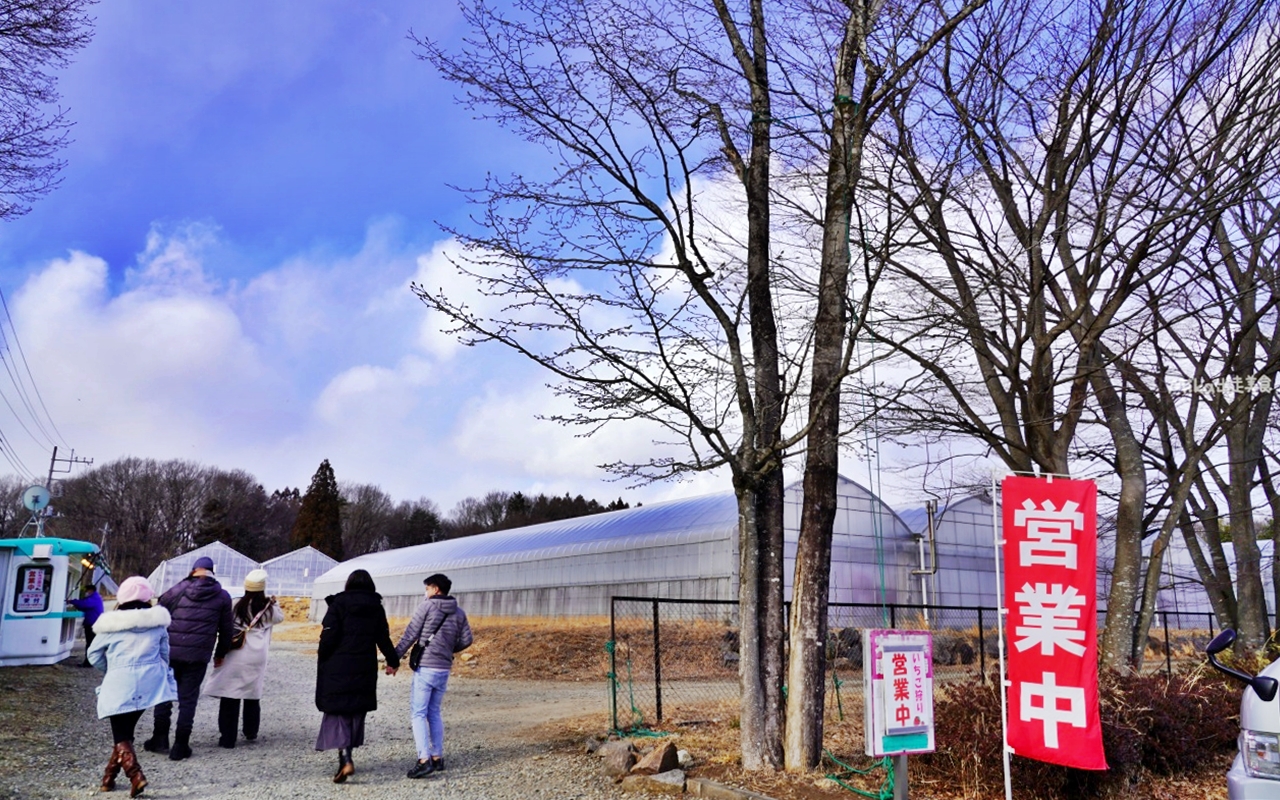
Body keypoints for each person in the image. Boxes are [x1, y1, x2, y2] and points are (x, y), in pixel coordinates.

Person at [87, 576, 178, 798]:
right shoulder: (158, 624)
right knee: (125, 734)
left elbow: (93, 655)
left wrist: (111, 669)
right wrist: (156, 672)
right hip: (150, 683)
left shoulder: (110, 626)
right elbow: (165, 655)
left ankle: (136, 776)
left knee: (120, 735)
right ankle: (108, 779)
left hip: (119, 682)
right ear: (148, 597)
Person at [143, 555, 233, 761]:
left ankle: (160, 738)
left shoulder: (177, 589)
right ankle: (180, 745)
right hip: (198, 656)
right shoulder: (222, 596)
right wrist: (220, 654)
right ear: (212, 572)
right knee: (188, 699)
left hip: (171, 653)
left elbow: (158, 612)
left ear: (194, 570)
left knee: (164, 694)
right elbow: (226, 630)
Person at [315, 569, 400, 783]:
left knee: (339, 712)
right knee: (355, 712)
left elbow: (328, 637)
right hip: (364, 665)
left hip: (338, 664)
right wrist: (393, 660)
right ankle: (347, 755)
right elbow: (383, 638)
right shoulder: (376, 608)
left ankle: (345, 758)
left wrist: (323, 658)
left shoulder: (338, 605)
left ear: (348, 584)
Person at [393, 573, 472, 779]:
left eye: (427, 589)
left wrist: (394, 660)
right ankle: (437, 757)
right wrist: (447, 650)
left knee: (418, 713)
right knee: (434, 712)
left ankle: (423, 760)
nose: (425, 593)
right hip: (444, 668)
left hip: (426, 666)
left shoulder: (426, 607)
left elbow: (411, 634)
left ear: (436, 589)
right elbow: (467, 639)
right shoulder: (459, 612)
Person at [203, 568, 284, 748]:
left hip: (236, 651)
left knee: (230, 694)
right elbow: (280, 618)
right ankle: (250, 731)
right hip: (257, 654)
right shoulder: (269, 608)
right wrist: (274, 602)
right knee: (252, 693)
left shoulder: (235, 604)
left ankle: (227, 738)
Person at [69, 582, 105, 667]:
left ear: (91, 590)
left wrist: (72, 601)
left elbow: (83, 604)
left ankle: (88, 662)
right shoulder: (96, 597)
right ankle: (91, 661)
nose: (86, 592)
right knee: (92, 643)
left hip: (92, 623)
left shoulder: (93, 598)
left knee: (90, 643)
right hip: (95, 623)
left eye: (87, 591)